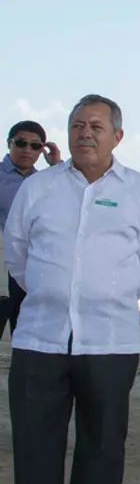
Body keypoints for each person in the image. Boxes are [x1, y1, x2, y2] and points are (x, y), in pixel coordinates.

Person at [0, 95, 140, 484]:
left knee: (102, 448)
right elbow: (17, 255)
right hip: (39, 339)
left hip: (110, 343)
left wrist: (106, 296)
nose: (85, 133)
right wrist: (56, 294)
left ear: (118, 135)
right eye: (77, 125)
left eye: (96, 125)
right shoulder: (40, 190)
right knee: (34, 448)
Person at [2, 121, 61, 337]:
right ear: (10, 143)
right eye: (21, 143)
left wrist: (56, 166)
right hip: (1, 265)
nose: (27, 150)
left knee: (27, 330)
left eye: (35, 146)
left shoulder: (46, 181)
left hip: (32, 264)